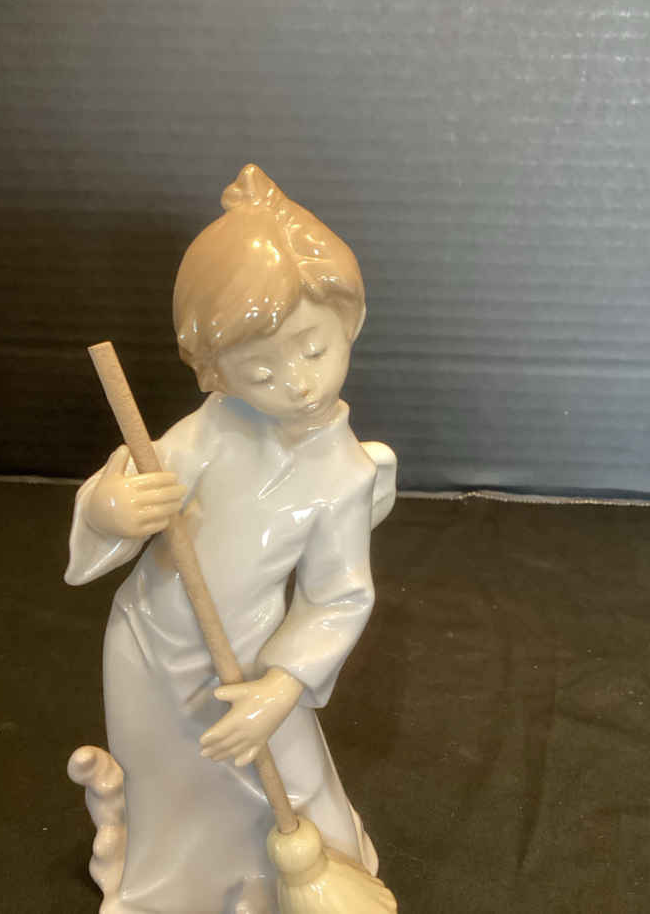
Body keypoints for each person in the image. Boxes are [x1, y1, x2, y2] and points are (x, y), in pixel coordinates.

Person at [65, 164, 396, 914]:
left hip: (248, 660)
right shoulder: (213, 430)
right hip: (149, 648)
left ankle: (299, 879)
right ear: (216, 374)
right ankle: (171, 891)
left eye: (312, 349)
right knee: (169, 779)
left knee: (288, 780)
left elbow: (338, 598)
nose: (298, 382)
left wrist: (280, 689)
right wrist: (113, 509)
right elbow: (130, 478)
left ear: (349, 321)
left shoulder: (345, 475)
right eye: (261, 371)